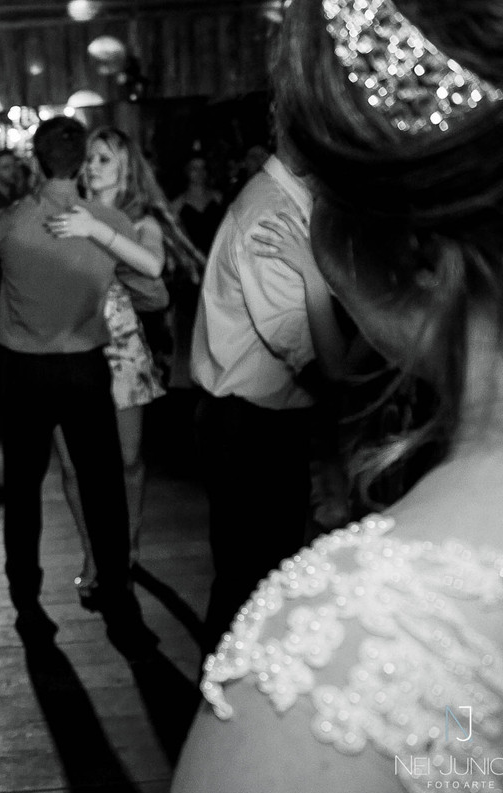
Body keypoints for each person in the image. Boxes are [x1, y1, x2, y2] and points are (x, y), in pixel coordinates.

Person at [171, 0, 503, 793]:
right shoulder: (263, 216)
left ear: (404, 250)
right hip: (244, 421)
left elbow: (480, 749)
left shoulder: (332, 670)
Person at [0, 116, 159, 661]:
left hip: (25, 373)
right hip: (86, 368)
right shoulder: (107, 221)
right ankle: (118, 594)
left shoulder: (10, 220)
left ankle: (26, 597)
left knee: (23, 491)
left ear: (35, 162)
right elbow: (151, 290)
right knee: (104, 487)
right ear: (81, 160)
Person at [188, 106, 351, 654]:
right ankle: (222, 696)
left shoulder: (293, 205)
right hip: (249, 426)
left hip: (260, 418)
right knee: (247, 585)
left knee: (261, 579)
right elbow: (312, 353)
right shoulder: (271, 217)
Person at [43, 127, 170, 606]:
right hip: (68, 349)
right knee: (73, 466)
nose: (91, 167)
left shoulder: (141, 221)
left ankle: (128, 546)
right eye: (89, 158)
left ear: (125, 168)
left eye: (103, 159)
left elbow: (153, 266)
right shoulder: (63, 212)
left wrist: (95, 229)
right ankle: (93, 553)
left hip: (121, 351)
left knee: (128, 460)